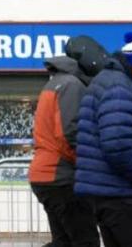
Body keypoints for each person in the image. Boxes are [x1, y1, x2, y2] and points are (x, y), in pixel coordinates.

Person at [75, 32, 132, 247]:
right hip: (121, 195)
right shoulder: (119, 88)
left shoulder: (111, 82)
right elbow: (117, 146)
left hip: (110, 193)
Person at [29, 35, 108, 247]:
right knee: (86, 241)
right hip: (62, 177)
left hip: (48, 175)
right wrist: (90, 163)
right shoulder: (72, 86)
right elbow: (70, 133)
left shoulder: (56, 83)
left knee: (63, 242)